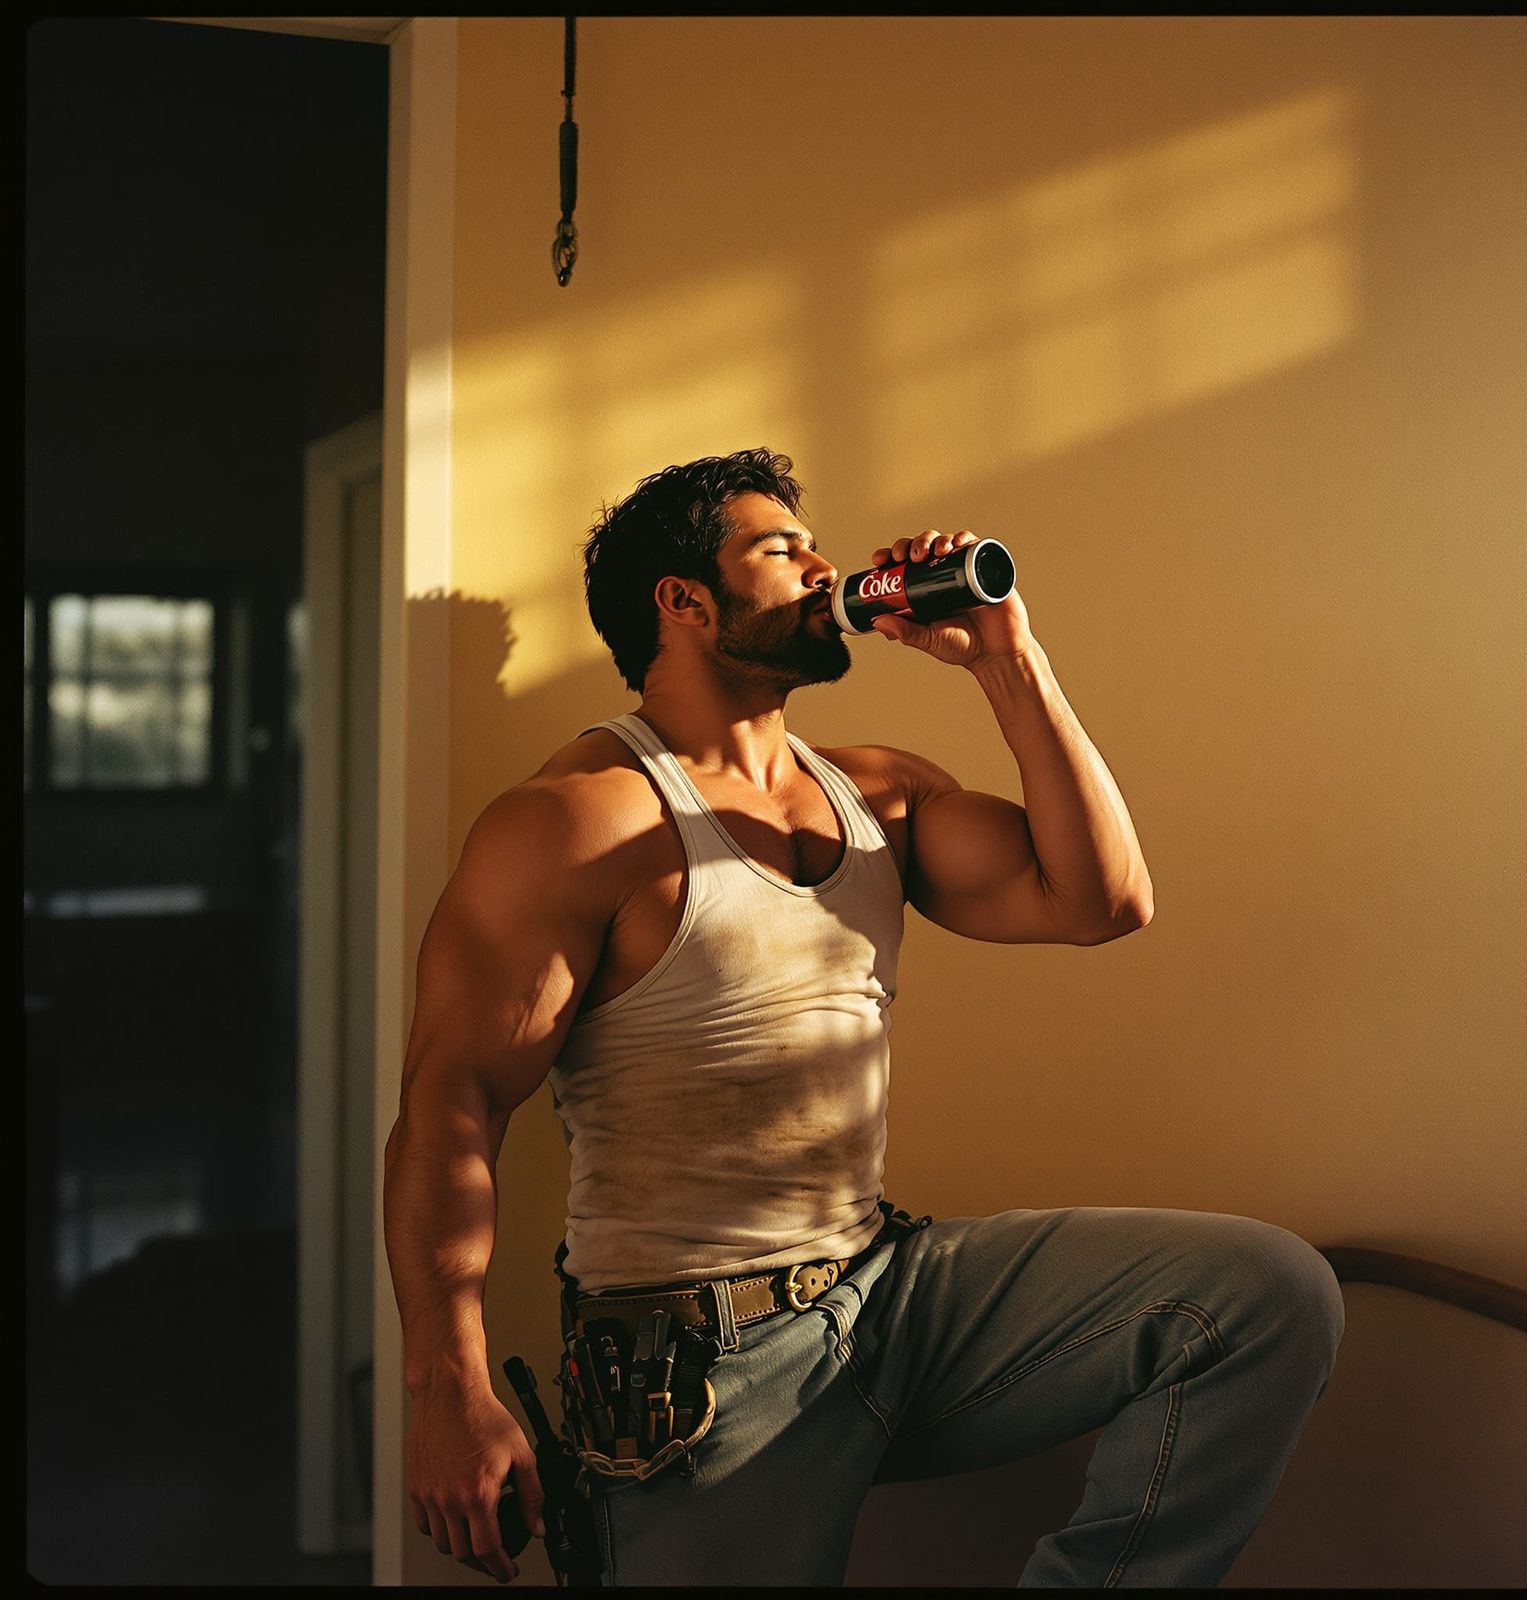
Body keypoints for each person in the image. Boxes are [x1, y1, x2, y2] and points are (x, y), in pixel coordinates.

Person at [383, 448, 1345, 1587]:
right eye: (782, 550)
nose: (824, 567)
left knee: (1258, 1293)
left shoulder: (877, 790)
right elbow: (452, 1103)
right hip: (699, 1357)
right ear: (683, 602)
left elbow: (1103, 901)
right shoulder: (570, 823)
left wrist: (1008, 660)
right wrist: (448, 1388)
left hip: (890, 1289)